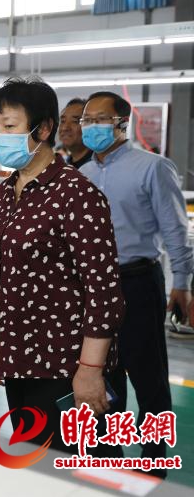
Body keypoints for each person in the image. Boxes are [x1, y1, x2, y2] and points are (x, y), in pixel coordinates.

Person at [0, 78, 124, 457]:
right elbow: (3, 275)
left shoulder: (76, 194)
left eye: (9, 126)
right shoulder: (5, 191)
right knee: (36, 462)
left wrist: (90, 370)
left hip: (65, 365)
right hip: (19, 359)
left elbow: (104, 293)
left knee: (80, 469)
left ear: (43, 128)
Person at [79, 91, 193, 475]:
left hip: (138, 282)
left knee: (149, 378)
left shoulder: (152, 168)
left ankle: (153, 464)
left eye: (100, 119)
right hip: (95, 288)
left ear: (121, 124)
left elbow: (175, 229)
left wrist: (182, 282)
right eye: (86, 120)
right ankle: (106, 459)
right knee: (102, 375)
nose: (91, 126)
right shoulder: (82, 175)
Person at [58, 97, 93, 169]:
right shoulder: (63, 167)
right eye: (63, 121)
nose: (65, 128)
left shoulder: (100, 166)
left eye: (75, 121)